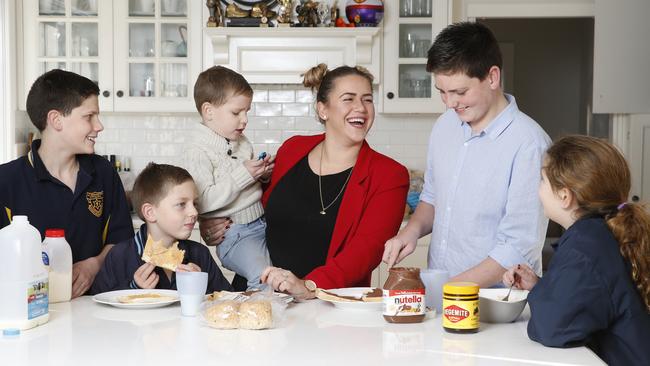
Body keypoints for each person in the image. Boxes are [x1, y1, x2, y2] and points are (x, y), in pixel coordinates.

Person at [382, 22, 551, 287]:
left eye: (459, 92)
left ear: (492, 77)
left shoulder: (530, 144)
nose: (450, 103)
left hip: (495, 305)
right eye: (442, 92)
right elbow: (432, 198)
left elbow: (517, 246)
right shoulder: (445, 126)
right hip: (442, 298)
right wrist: (410, 232)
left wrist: (445, 290)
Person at [258, 64, 409, 299]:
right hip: (261, 294)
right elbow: (256, 206)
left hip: (330, 305)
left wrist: (309, 286)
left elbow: (366, 251)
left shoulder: (389, 175)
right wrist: (220, 222)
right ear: (323, 109)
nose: (361, 108)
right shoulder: (292, 149)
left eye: (367, 99)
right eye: (348, 99)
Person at [502, 135, 650, 366]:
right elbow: (598, 297)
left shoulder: (586, 245)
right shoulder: (603, 231)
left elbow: (553, 327)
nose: (538, 189)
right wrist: (541, 286)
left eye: (542, 180)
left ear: (564, 196)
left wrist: (541, 295)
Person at [0, 69, 132, 298]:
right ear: (56, 120)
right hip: (33, 311)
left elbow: (122, 241)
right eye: (89, 116)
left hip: (98, 306)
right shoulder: (7, 181)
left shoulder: (104, 173)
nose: (99, 126)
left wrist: (95, 264)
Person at [182, 66, 273, 290]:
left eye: (247, 111)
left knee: (278, 273)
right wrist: (243, 175)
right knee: (264, 278)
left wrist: (262, 174)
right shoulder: (197, 150)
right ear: (209, 111)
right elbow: (202, 201)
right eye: (236, 112)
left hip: (261, 225)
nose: (244, 119)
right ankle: (256, 320)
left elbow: (247, 187)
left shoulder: (241, 142)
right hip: (236, 235)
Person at [92, 163, 232, 294]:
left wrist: (201, 286)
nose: (194, 212)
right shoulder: (119, 256)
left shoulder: (200, 254)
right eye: (181, 204)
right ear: (150, 212)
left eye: (194, 203)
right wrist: (134, 289)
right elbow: (95, 306)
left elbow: (228, 300)